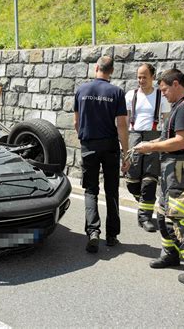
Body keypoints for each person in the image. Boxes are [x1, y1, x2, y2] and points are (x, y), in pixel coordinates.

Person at [135, 69, 184, 286]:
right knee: (163, 214)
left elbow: (181, 141)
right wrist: (151, 145)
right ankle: (171, 254)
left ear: (176, 84)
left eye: (165, 89)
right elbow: (168, 136)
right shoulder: (178, 106)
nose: (163, 94)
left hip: (180, 170)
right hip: (171, 169)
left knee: (178, 218)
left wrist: (152, 146)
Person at [74, 56, 130, 253]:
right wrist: (126, 153)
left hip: (89, 144)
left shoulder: (81, 90)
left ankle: (93, 232)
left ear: (96, 68)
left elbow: (76, 122)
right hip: (110, 146)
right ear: (111, 71)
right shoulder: (117, 92)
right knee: (112, 189)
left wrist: (84, 137)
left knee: (90, 190)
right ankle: (112, 235)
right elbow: (122, 125)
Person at [125, 63, 170, 232]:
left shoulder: (161, 96)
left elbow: (166, 121)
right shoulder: (131, 95)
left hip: (153, 136)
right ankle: (144, 203)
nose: (141, 80)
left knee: (149, 180)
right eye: (138, 77)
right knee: (131, 180)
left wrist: (162, 141)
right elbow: (125, 120)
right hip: (134, 136)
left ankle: (145, 217)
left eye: (144, 77)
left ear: (152, 77)